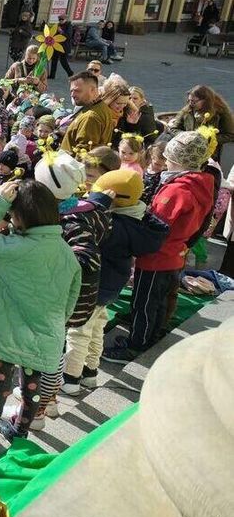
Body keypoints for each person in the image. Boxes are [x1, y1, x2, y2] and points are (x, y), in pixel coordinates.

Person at [0, 180, 80, 451]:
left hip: (8, 330)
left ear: (20, 216)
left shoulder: (13, 248)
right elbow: (71, 298)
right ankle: (20, 433)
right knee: (31, 387)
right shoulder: (65, 251)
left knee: (0, 384)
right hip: (46, 332)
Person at [103, 131, 215, 363]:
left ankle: (136, 345)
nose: (164, 161)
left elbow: (159, 224)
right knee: (159, 303)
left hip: (157, 257)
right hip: (175, 254)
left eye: (168, 158)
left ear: (177, 160)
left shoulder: (177, 190)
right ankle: (150, 337)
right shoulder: (199, 183)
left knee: (144, 303)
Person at [61, 169, 167, 394]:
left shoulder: (112, 224)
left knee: (78, 331)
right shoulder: (137, 220)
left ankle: (70, 379)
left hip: (95, 286)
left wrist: (98, 202)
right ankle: (90, 372)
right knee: (97, 326)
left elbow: (84, 220)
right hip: (112, 285)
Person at [60, 70, 114, 152]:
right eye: (71, 91)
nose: (72, 95)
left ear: (92, 90)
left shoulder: (90, 117)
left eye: (77, 91)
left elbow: (84, 152)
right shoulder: (100, 106)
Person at [167, 85, 234, 148]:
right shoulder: (187, 110)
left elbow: (230, 136)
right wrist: (186, 136)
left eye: (194, 101)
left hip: (210, 149)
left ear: (205, 101)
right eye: (189, 100)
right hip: (187, 147)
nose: (190, 104)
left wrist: (207, 139)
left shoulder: (221, 113)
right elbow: (173, 129)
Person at [49, 14, 74, 80]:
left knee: (63, 61)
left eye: (62, 19)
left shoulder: (69, 25)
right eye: (59, 19)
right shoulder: (57, 25)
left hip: (64, 46)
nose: (61, 21)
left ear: (66, 19)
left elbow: (68, 36)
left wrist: (61, 31)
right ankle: (52, 75)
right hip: (56, 45)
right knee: (54, 60)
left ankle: (70, 73)